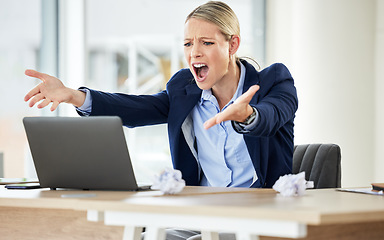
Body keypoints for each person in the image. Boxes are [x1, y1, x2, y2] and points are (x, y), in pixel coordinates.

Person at [24, 1, 298, 239]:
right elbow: (138, 108)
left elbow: (272, 116)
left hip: (261, 218)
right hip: (201, 215)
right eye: (188, 44)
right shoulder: (184, 88)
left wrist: (248, 115)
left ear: (232, 44)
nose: (194, 53)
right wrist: (74, 96)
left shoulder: (273, 81)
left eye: (207, 43)